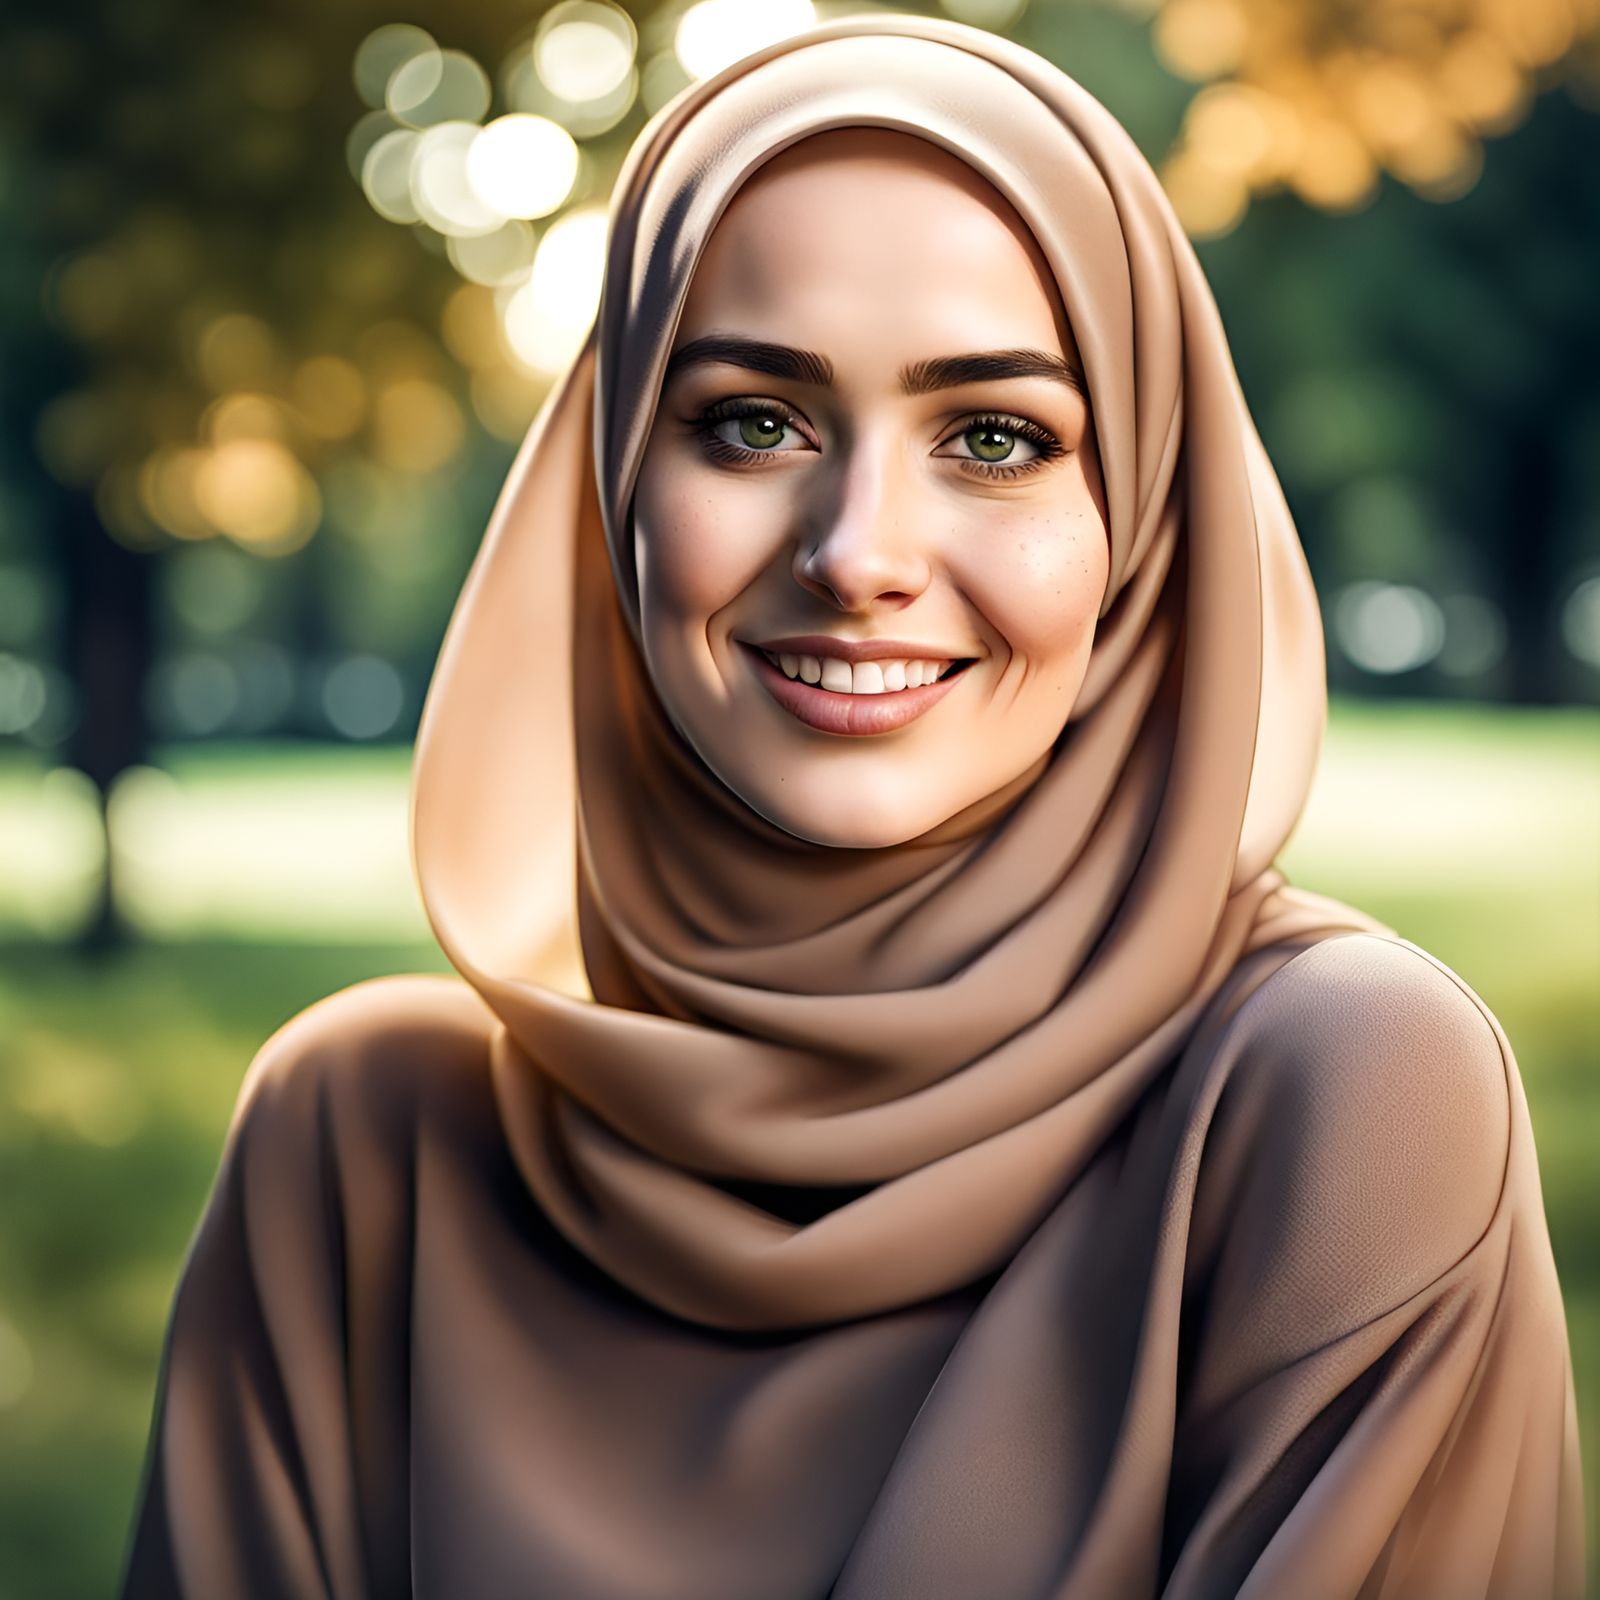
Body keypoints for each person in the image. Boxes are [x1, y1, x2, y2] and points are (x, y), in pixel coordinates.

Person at [119, 14, 1585, 1598]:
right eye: (755, 419)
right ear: (615, 473)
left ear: (1148, 519)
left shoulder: (1337, 1096)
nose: (859, 551)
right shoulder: (360, 1148)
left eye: (997, 435)